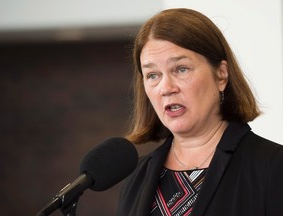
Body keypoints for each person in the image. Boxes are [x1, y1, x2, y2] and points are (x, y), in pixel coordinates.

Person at [115, 8, 283, 216]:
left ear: (221, 75)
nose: (166, 88)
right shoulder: (137, 177)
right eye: (152, 75)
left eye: (181, 69)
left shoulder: (273, 166)